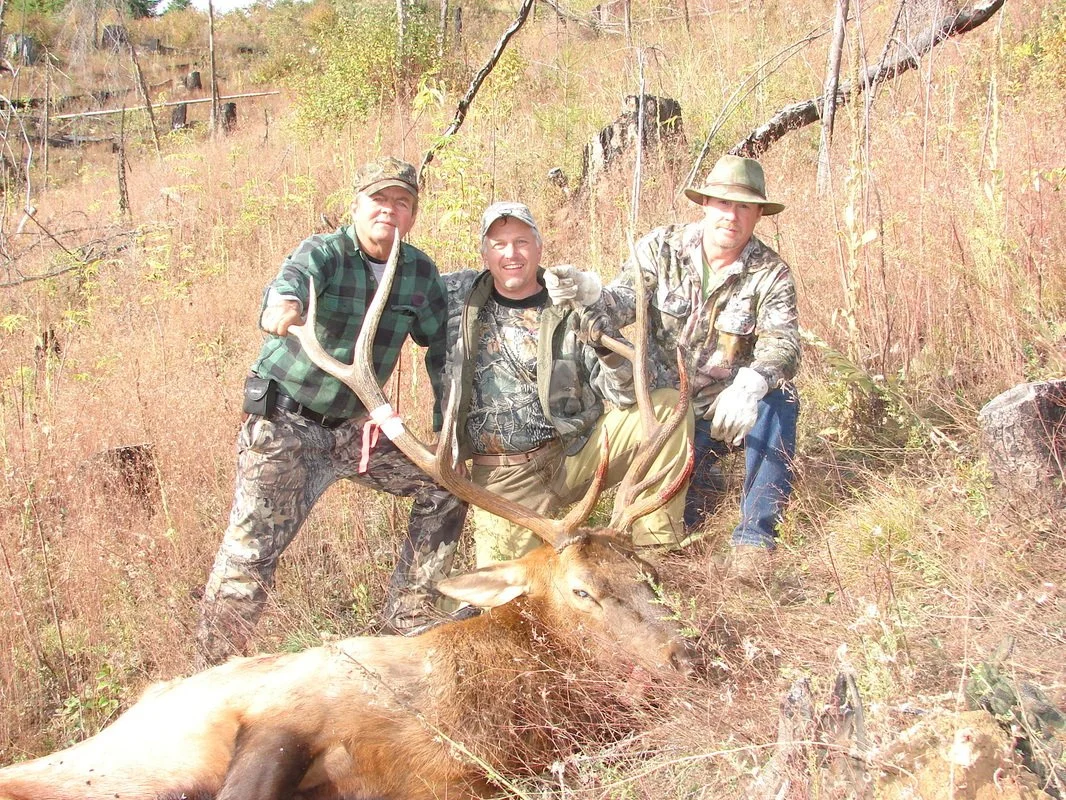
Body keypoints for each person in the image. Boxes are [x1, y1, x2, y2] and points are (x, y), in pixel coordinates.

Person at [195, 157, 468, 665]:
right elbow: (288, 285)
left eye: (401, 203)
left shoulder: (419, 272)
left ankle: (408, 618)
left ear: (412, 215)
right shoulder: (323, 253)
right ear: (357, 205)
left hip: (353, 431)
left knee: (444, 485)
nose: (389, 211)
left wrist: (446, 421)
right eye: (378, 201)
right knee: (250, 555)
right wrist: (282, 307)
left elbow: (441, 340)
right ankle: (209, 677)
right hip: (285, 426)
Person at [546, 155, 800, 586]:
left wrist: (754, 381)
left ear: (758, 214)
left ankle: (754, 541)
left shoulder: (770, 273)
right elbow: (619, 304)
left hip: (727, 408)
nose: (731, 216)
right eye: (723, 204)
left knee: (780, 404)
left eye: (743, 207)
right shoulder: (660, 248)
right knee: (688, 519)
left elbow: (785, 342)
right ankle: (698, 484)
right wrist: (589, 293)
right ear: (704, 204)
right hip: (667, 416)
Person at [442, 201, 692, 566]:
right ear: (483, 253)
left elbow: (624, 393)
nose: (511, 253)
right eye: (499, 244)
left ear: (539, 247)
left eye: (522, 242)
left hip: (574, 453)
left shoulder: (569, 304)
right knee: (509, 601)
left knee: (666, 406)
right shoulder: (456, 298)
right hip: (502, 478)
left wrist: (602, 342)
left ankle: (657, 557)